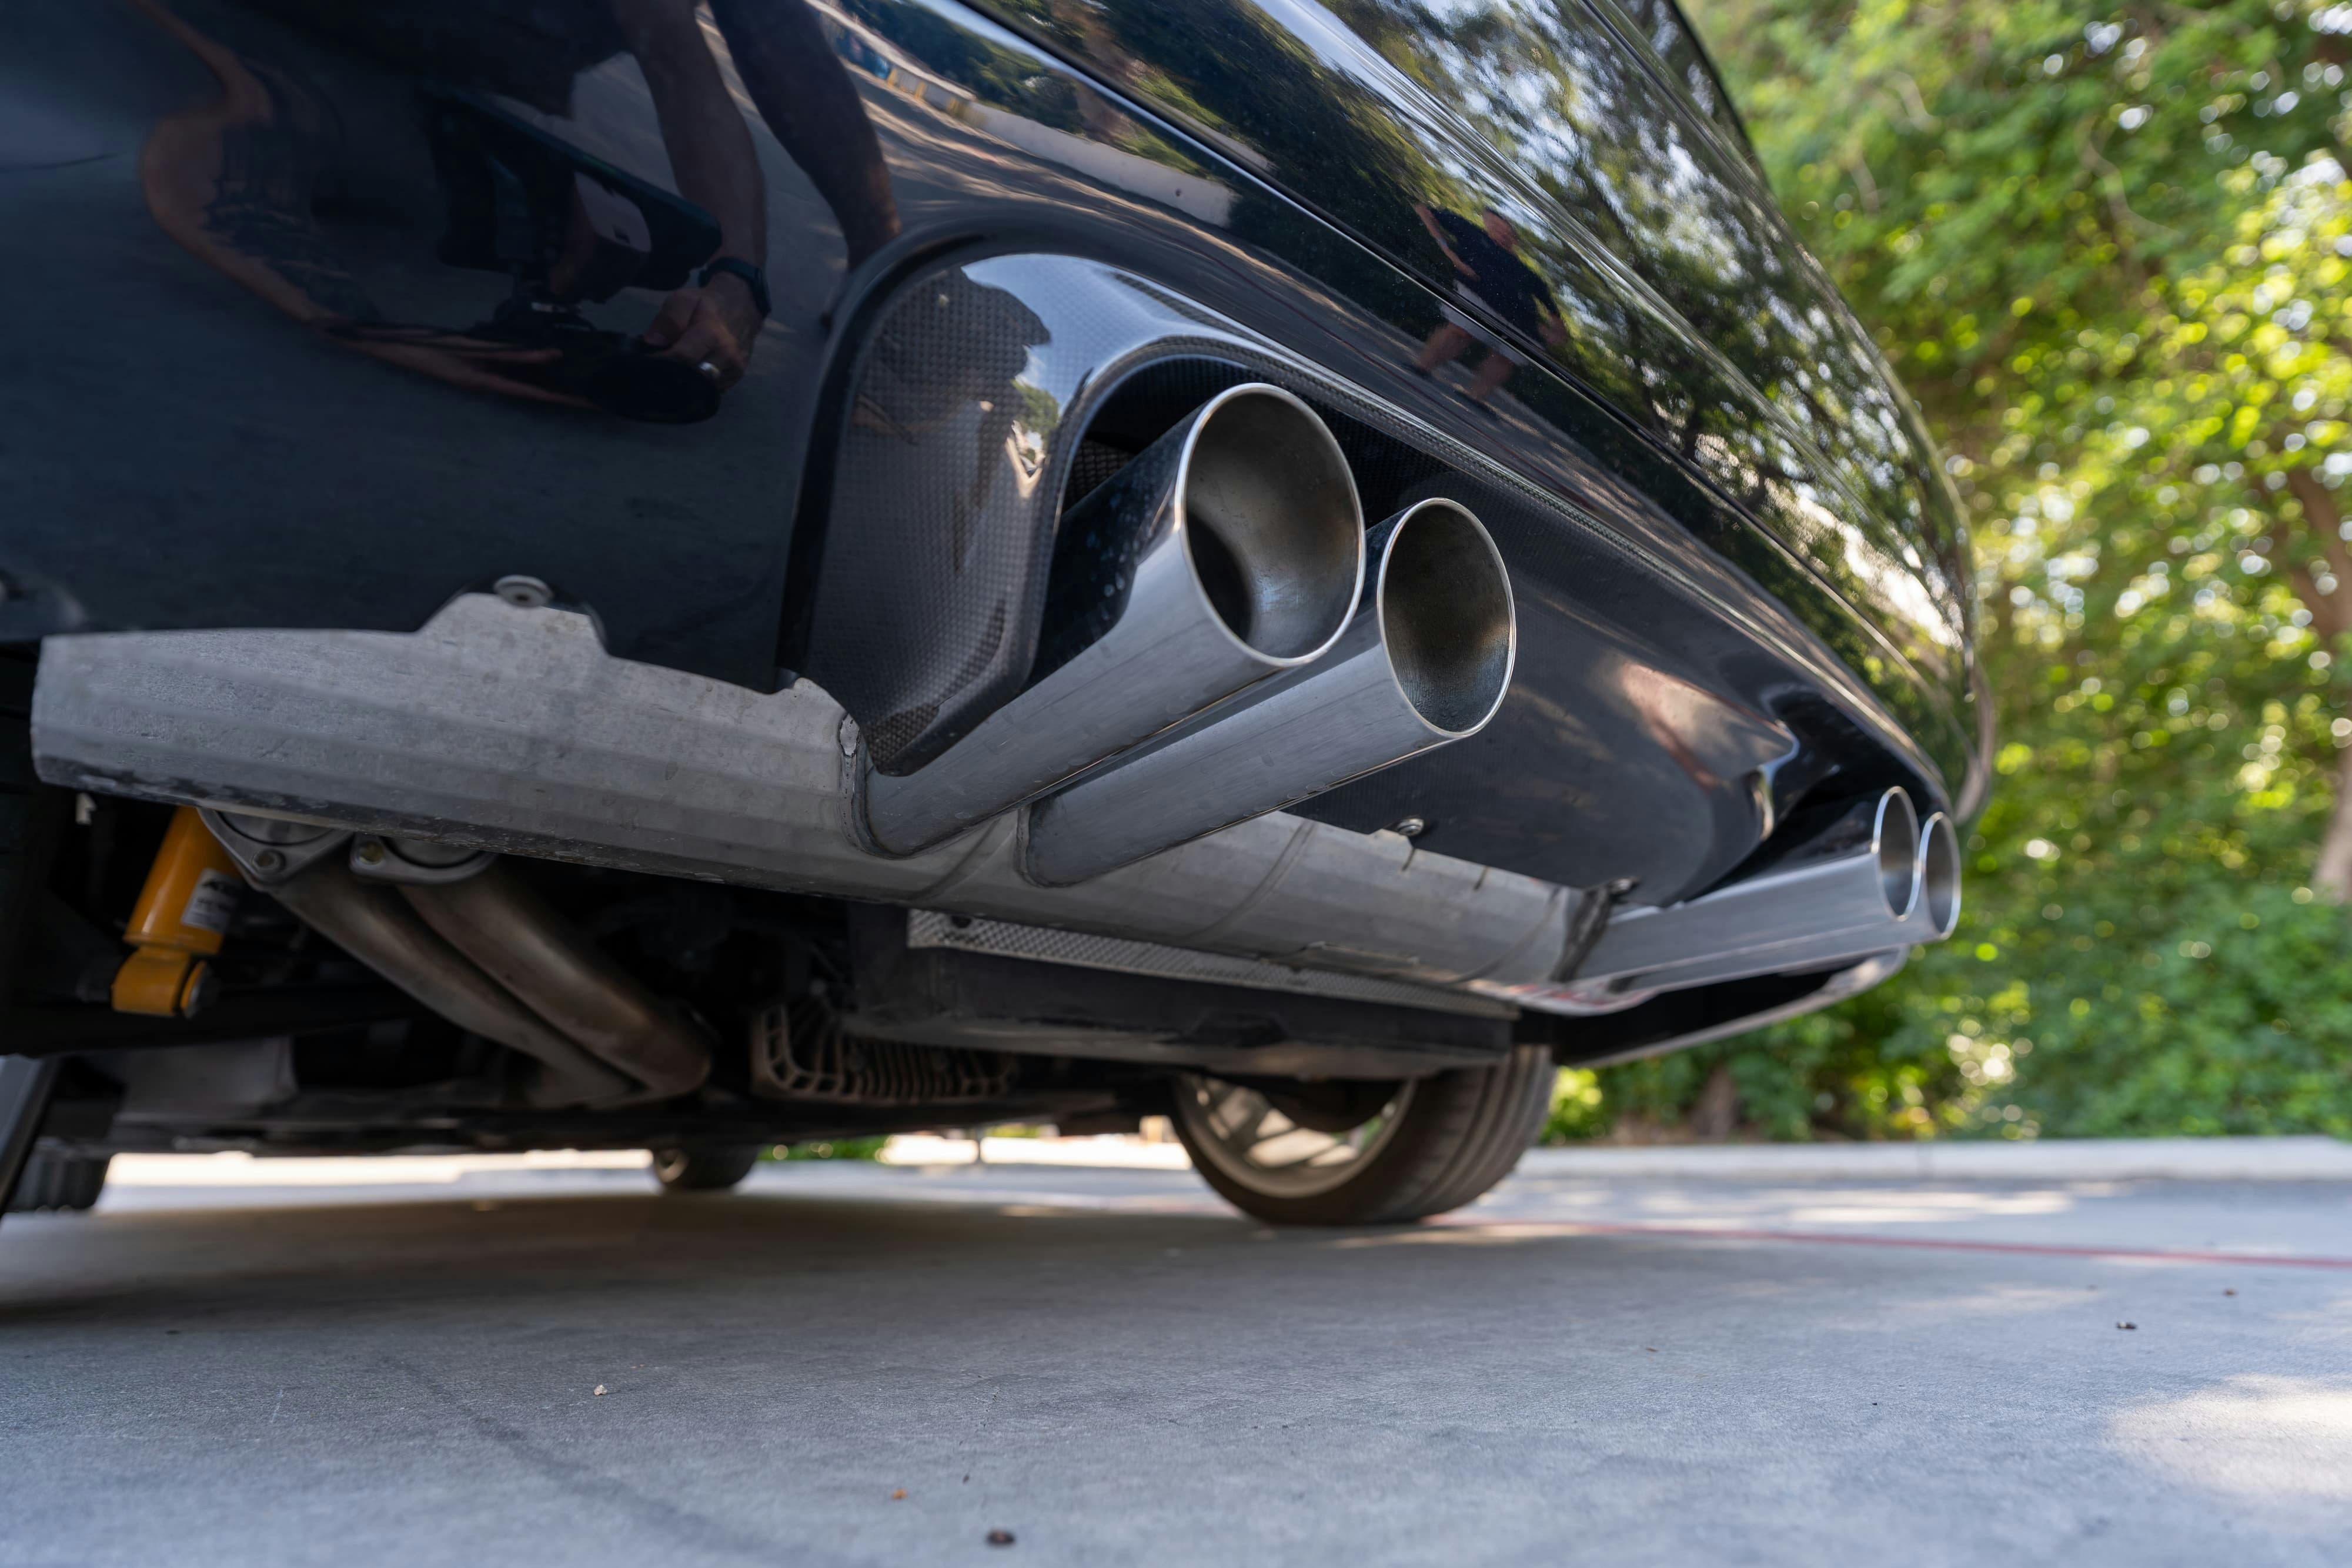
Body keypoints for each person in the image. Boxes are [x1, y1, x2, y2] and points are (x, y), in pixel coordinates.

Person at [1411, 203, 1568, 406]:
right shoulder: (1472, 233)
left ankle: (1474, 398)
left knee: (1508, 355)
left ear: (1514, 236)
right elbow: (1423, 210)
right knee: (1462, 330)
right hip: (1476, 294)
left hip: (1519, 320)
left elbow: (1552, 309)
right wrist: (1448, 252)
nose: (1500, 231)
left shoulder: (1526, 272)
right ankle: (1422, 368)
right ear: (1486, 224)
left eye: (1504, 228)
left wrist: (1555, 331)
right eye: (1493, 224)